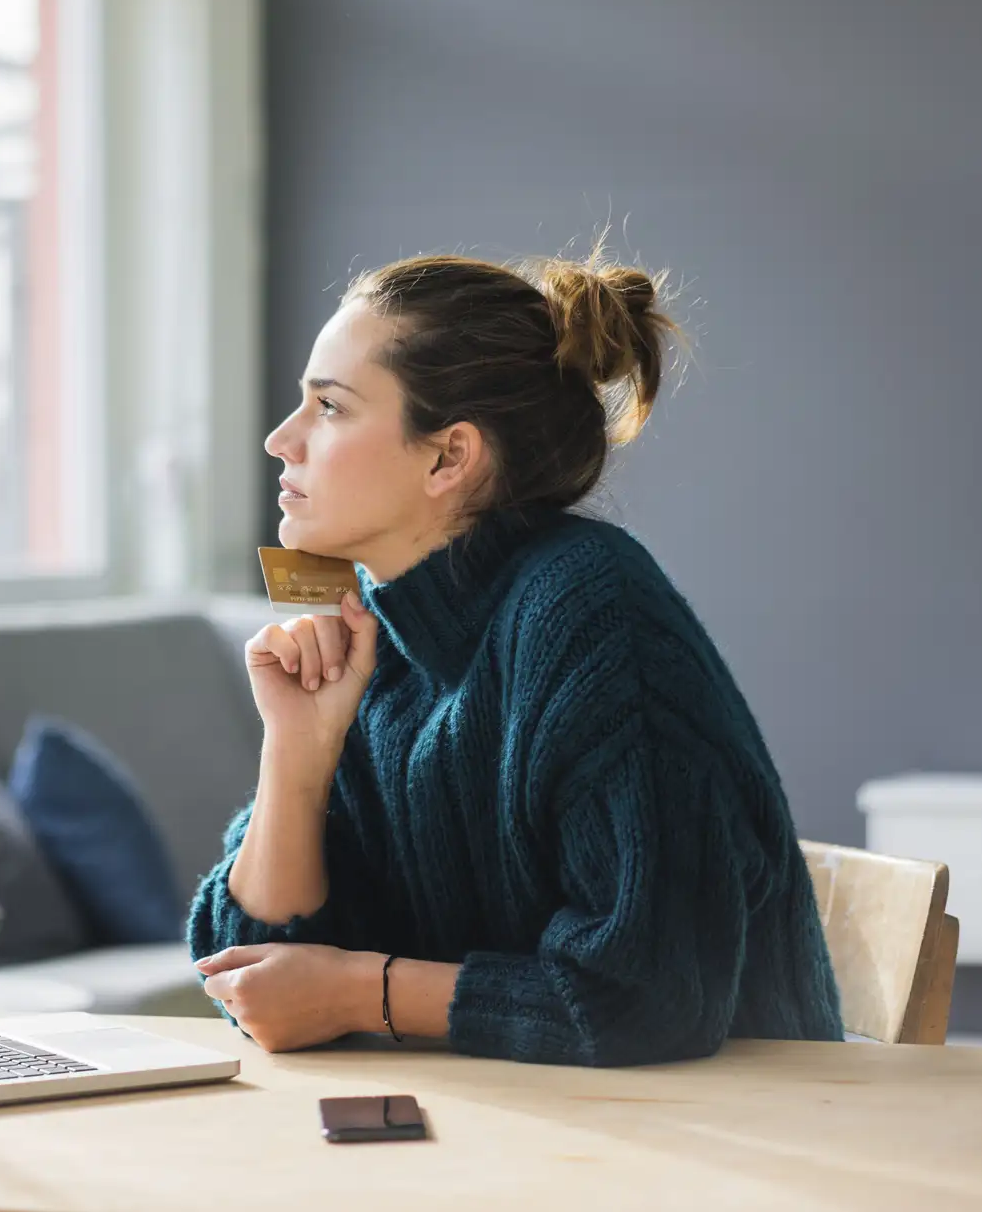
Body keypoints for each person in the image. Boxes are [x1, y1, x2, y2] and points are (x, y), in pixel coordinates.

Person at [186, 245, 844, 1067]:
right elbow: (247, 974)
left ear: (448, 457)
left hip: (726, 1144)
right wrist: (298, 750)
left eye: (330, 408)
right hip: (501, 1134)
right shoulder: (372, 638)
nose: (281, 440)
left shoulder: (590, 613)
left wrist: (358, 991)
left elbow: (647, 995)